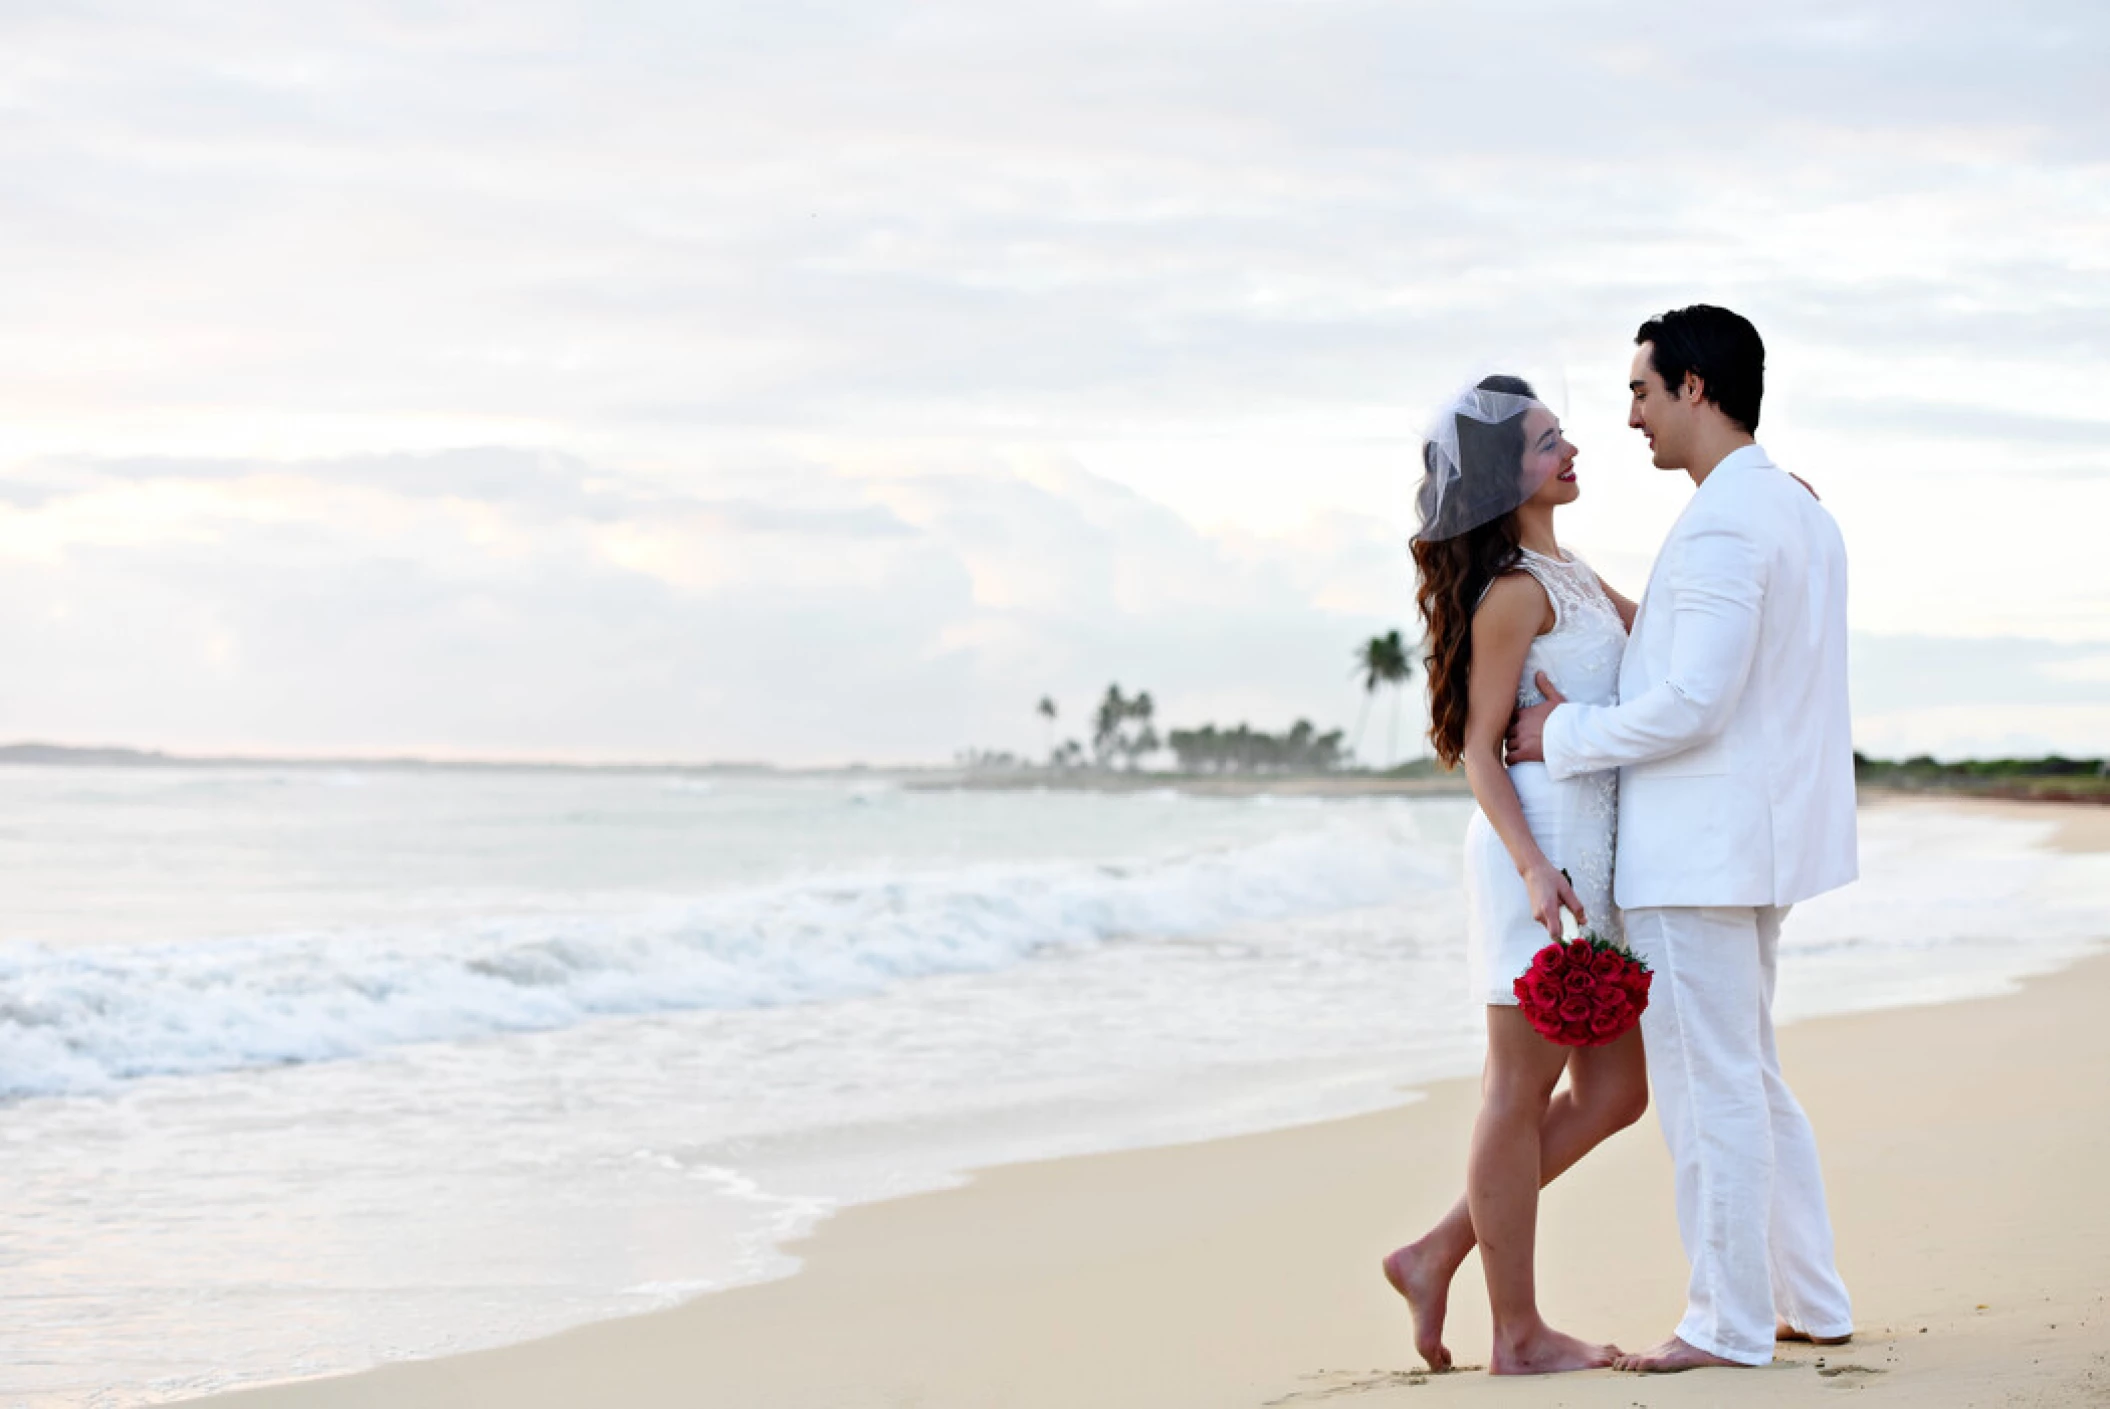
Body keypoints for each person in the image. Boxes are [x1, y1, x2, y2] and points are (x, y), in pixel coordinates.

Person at [1505, 305, 1857, 1372]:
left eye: (1642, 392)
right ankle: (1812, 1296)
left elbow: (1692, 703)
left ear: (1695, 388)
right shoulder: (1794, 511)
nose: (1629, 417)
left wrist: (1558, 731)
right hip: (1760, 836)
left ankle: (1725, 1319)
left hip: (1702, 846)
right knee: (1746, 1069)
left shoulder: (1722, 523)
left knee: (1712, 1087)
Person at [1381, 375, 1647, 1374]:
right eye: (1546, 443)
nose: (1570, 449)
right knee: (1519, 1087)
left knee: (1615, 1089)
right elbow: (1480, 750)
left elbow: (1667, 625)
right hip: (1533, 858)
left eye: (1562, 435)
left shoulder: (1567, 568)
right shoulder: (1510, 592)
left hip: (1593, 858)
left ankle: (1435, 1248)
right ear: (1504, 474)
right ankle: (1516, 1330)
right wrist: (1533, 868)